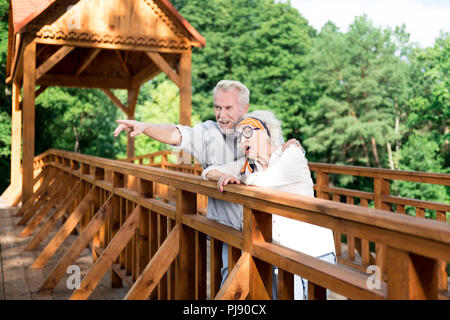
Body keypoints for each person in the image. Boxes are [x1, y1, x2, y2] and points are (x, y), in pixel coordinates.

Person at [113, 80, 302, 286]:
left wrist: (291, 146)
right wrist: (146, 127)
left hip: (271, 233)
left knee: (277, 288)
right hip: (230, 232)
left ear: (244, 108)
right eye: (217, 107)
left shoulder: (259, 129)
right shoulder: (207, 133)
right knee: (232, 287)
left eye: (228, 108)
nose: (221, 115)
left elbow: (283, 160)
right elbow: (176, 134)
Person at [202, 110, 336, 299]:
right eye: (239, 137)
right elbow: (208, 171)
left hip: (310, 252)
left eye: (247, 132)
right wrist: (224, 176)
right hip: (278, 252)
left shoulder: (291, 154)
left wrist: (241, 176)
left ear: (268, 133)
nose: (242, 141)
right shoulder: (249, 165)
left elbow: (262, 182)